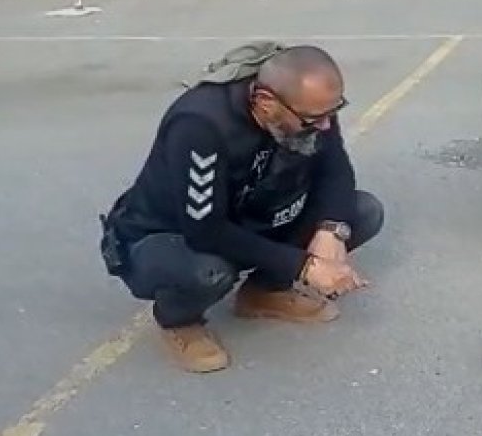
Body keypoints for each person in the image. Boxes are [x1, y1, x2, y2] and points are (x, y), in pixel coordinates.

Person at [98, 42, 384, 373]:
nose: (324, 126)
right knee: (210, 272)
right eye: (314, 120)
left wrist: (331, 229)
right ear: (265, 102)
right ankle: (179, 320)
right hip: (169, 235)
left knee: (363, 212)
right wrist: (304, 266)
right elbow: (205, 231)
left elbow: (335, 168)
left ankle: (262, 293)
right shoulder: (200, 125)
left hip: (246, 216)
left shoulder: (310, 109)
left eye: (333, 113)